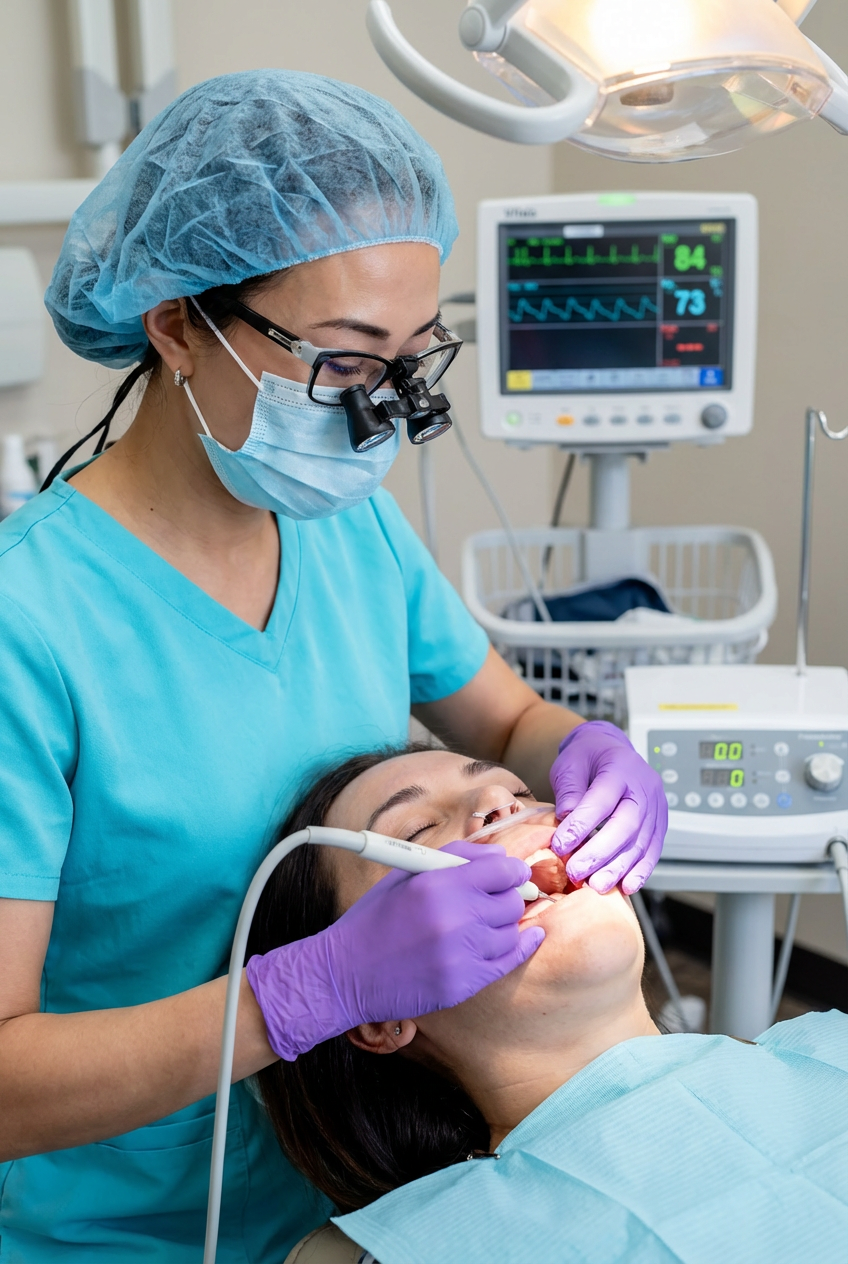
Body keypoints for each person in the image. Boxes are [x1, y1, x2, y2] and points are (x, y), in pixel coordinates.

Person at [0, 70, 666, 1259]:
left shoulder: (341, 528)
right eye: (344, 362)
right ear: (176, 325)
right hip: (120, 1230)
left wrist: (577, 750)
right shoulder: (29, 621)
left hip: (367, 1199)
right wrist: (305, 993)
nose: (379, 415)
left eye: (408, 360)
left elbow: (503, 718)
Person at [247, 744, 848, 1264]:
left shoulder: (829, 1050)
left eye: (519, 790)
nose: (499, 802)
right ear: (379, 1011)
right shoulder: (421, 1243)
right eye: (415, 834)